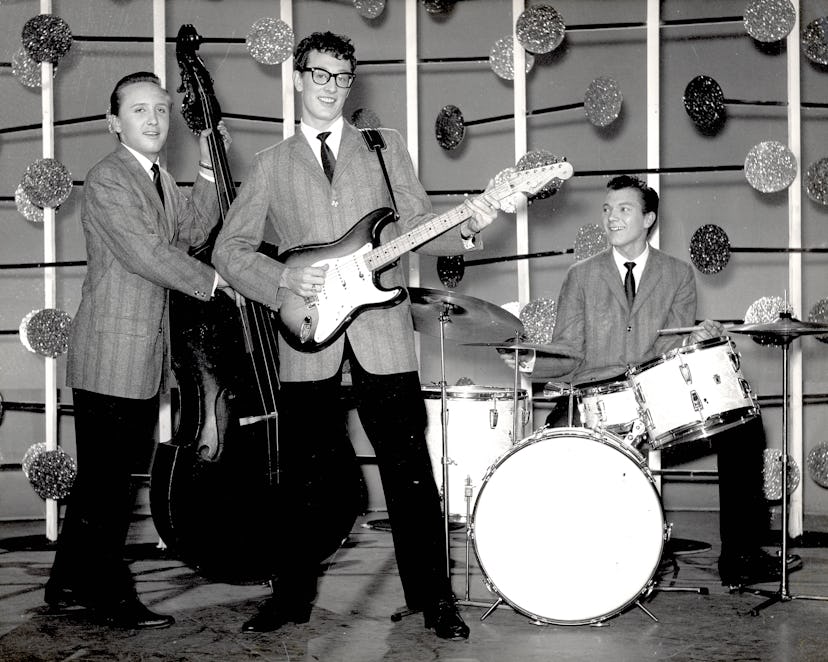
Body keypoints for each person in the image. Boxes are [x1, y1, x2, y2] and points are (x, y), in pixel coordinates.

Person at [212, 31, 498, 640]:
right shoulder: (270, 165)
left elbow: (419, 223)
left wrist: (468, 228)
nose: (332, 87)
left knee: (409, 469)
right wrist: (286, 277)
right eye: (320, 74)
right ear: (296, 78)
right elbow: (229, 251)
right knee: (302, 479)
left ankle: (433, 599)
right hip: (308, 334)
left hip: (383, 331)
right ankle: (290, 598)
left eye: (343, 77)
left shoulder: (384, 146)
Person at [505, 174, 801, 587]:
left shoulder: (677, 274)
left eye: (623, 210)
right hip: (597, 404)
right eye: (607, 209)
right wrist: (530, 361)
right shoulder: (580, 275)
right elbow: (569, 350)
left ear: (648, 219)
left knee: (744, 425)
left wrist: (697, 339)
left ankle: (741, 558)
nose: (611, 218)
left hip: (657, 412)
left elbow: (672, 351)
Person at [45, 71, 231, 629]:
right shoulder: (108, 179)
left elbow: (196, 227)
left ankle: (66, 582)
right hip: (110, 354)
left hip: (139, 359)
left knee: (101, 480)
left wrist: (206, 164)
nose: (154, 120)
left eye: (161, 110)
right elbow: (147, 252)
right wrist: (215, 283)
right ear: (113, 122)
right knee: (108, 487)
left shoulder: (158, 180)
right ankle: (110, 595)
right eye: (139, 110)